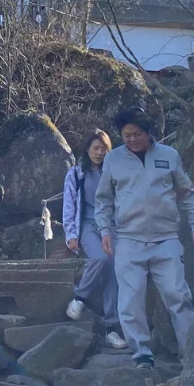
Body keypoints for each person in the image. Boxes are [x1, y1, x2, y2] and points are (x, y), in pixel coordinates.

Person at [94, 108, 194, 369]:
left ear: (149, 133)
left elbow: (188, 193)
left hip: (166, 238)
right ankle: (141, 353)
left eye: (137, 134)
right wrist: (104, 231)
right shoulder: (113, 160)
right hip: (128, 239)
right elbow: (103, 200)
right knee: (131, 299)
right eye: (126, 135)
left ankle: (190, 355)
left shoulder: (169, 155)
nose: (131, 139)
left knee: (178, 295)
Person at [63, 129, 126, 350]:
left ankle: (112, 328)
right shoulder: (76, 174)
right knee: (100, 257)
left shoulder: (113, 172)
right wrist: (71, 234)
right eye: (96, 148)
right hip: (87, 225)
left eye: (104, 149)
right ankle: (79, 297)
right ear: (87, 149)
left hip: (112, 226)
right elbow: (69, 205)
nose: (100, 153)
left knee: (114, 268)